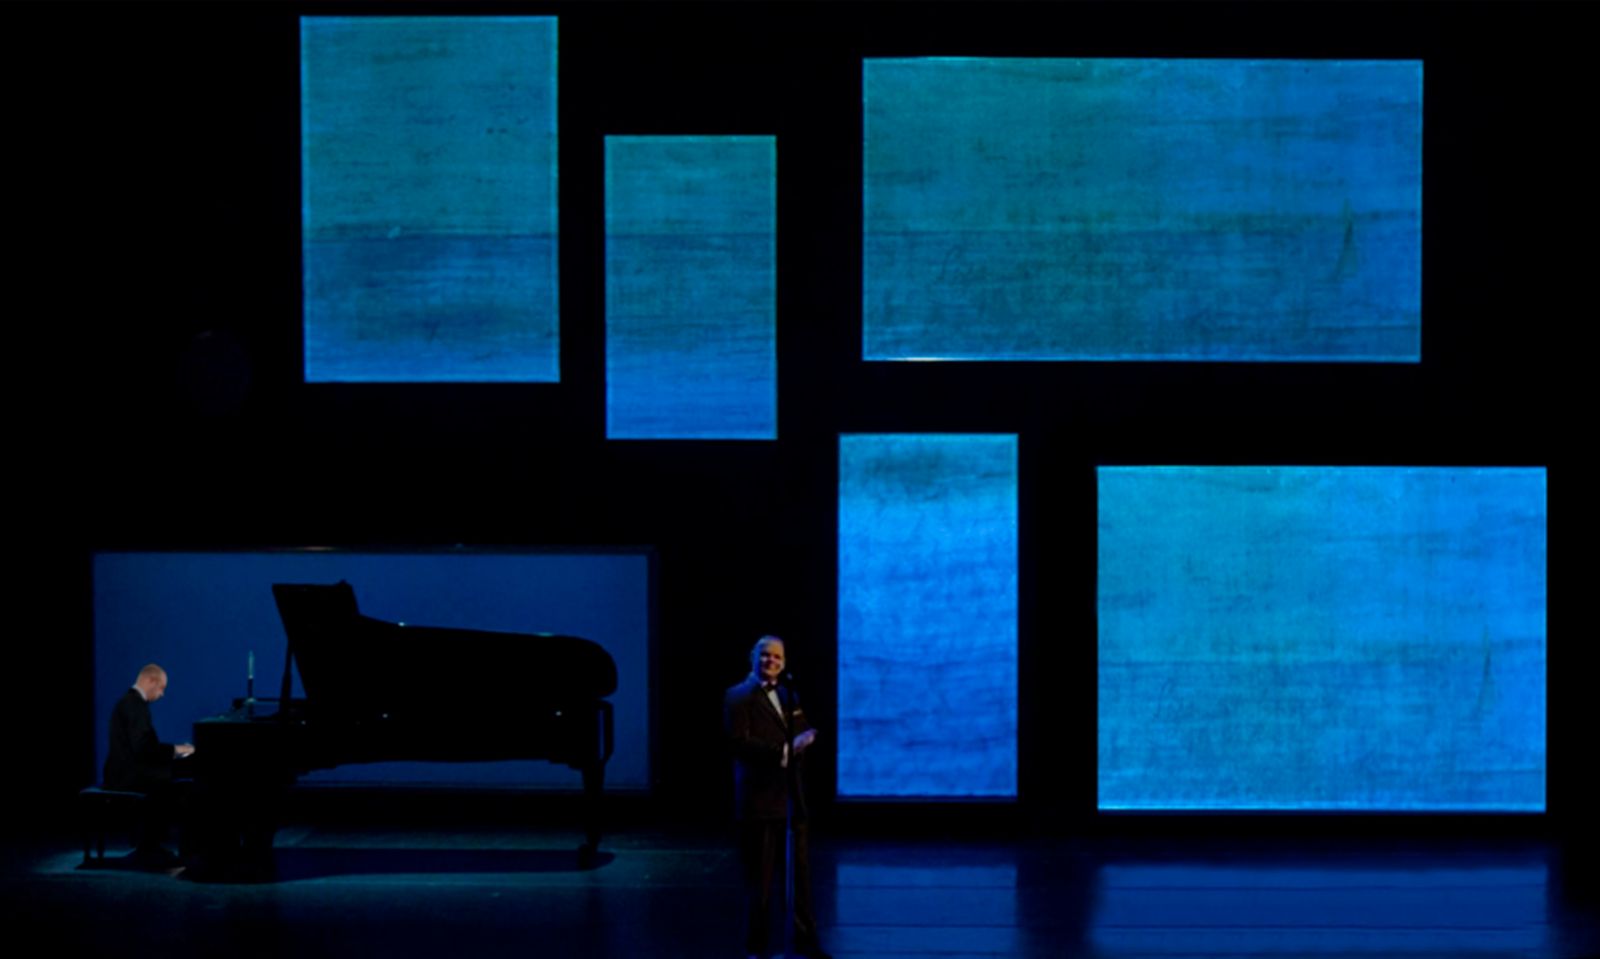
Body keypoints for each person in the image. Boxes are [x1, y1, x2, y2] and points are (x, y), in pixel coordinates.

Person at [724, 636, 829, 959]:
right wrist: (784, 751)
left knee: (799, 878)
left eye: (777, 657)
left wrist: (806, 738)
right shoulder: (738, 696)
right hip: (759, 802)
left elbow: (802, 727)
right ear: (753, 657)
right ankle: (757, 947)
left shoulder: (787, 693)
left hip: (790, 800)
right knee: (761, 881)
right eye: (765, 655)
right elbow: (739, 743)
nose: (771, 661)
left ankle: (805, 942)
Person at [104, 664, 194, 868]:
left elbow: (144, 748)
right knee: (177, 786)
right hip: (127, 776)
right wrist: (178, 750)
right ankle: (153, 848)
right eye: (161, 688)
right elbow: (143, 748)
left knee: (173, 780)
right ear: (150, 681)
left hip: (124, 772)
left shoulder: (129, 703)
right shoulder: (134, 704)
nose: (162, 694)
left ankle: (152, 846)